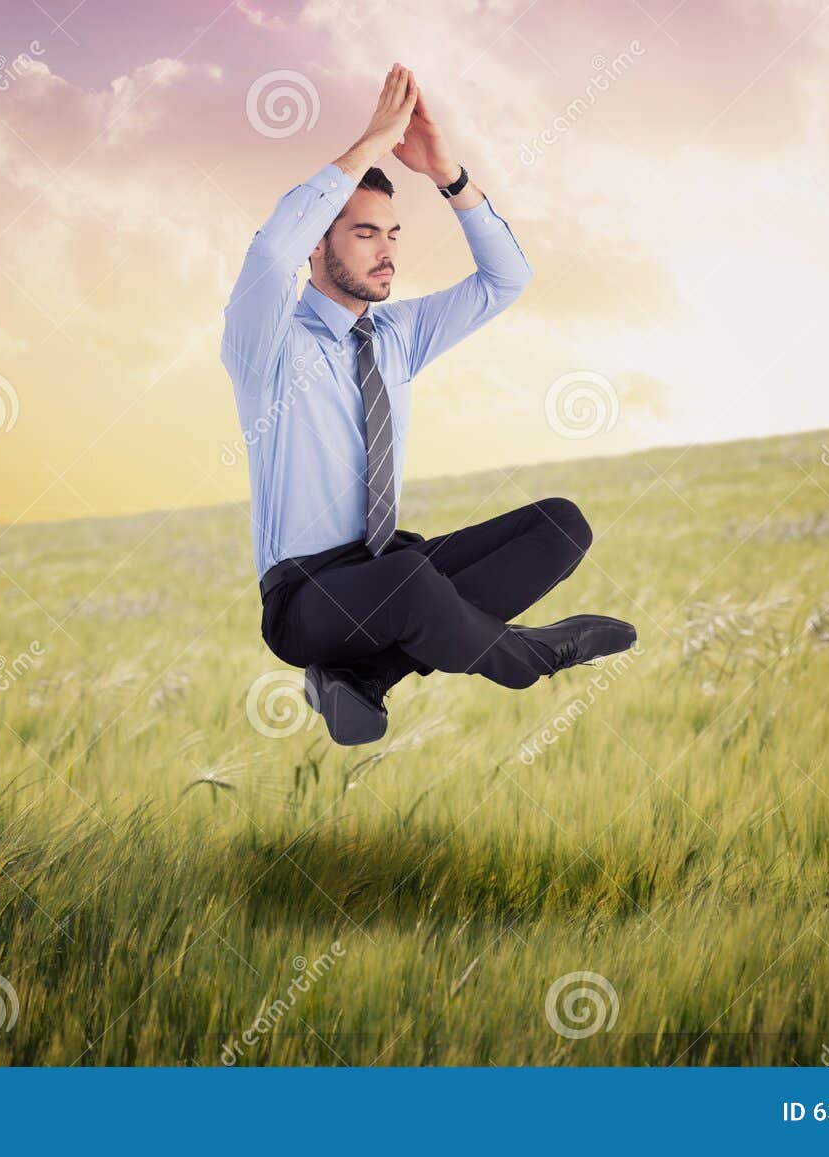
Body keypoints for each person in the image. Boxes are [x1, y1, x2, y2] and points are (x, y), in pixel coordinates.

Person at [221, 63, 636, 745]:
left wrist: (449, 175)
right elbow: (269, 252)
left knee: (560, 526)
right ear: (318, 245)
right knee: (414, 581)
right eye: (364, 234)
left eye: (393, 234)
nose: (387, 253)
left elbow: (508, 280)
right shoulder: (268, 346)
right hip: (305, 598)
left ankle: (360, 679)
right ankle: (530, 657)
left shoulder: (397, 335)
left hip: (387, 568)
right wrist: (368, 141)